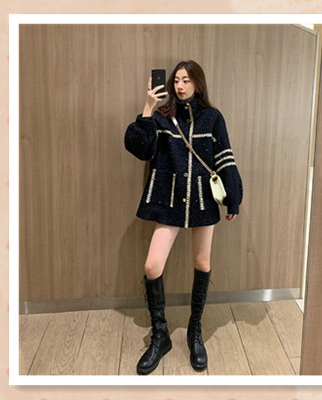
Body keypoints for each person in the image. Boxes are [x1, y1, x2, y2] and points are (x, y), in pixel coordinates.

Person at [124, 60, 243, 375]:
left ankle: (194, 329)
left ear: (198, 83)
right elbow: (139, 148)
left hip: (203, 200)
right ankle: (160, 334)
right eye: (176, 80)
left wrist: (233, 198)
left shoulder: (213, 118)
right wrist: (148, 107)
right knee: (152, 266)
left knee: (202, 264)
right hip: (169, 199)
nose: (179, 85)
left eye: (186, 80)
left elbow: (224, 157)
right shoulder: (162, 117)